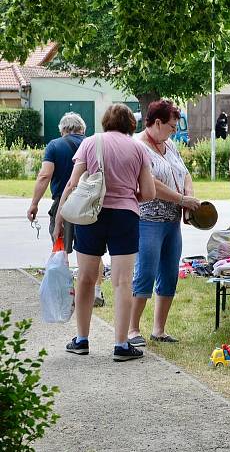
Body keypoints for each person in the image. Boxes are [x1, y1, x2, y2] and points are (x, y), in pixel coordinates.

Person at [54, 104, 156, 361]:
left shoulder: (91, 142)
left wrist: (59, 217)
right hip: (125, 217)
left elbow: (73, 183)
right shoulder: (138, 149)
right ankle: (121, 345)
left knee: (86, 278)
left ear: (105, 122)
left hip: (91, 215)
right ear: (131, 125)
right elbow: (150, 193)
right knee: (123, 281)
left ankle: (82, 340)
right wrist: (127, 195)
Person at [127, 100, 201, 348]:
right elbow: (151, 185)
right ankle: (132, 329)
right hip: (148, 220)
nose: (174, 130)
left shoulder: (169, 145)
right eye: (171, 126)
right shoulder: (139, 147)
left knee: (169, 274)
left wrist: (188, 197)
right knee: (145, 273)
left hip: (172, 221)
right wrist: (182, 199)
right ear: (156, 123)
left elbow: (185, 173)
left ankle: (159, 329)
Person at [28, 112, 105, 306]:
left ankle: (64, 293)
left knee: (60, 247)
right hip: (91, 203)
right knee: (93, 250)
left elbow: (45, 175)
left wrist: (34, 203)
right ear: (83, 129)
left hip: (65, 203)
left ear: (63, 129)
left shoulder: (55, 145)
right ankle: (96, 292)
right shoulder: (94, 145)